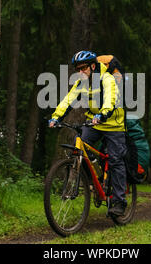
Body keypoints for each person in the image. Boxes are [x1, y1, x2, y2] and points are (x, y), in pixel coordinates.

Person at [48, 50, 127, 216]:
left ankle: (119, 201)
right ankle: (93, 181)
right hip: (94, 123)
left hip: (113, 124)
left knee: (115, 160)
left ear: (92, 66)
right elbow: (68, 100)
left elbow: (110, 100)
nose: (80, 72)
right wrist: (55, 117)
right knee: (79, 150)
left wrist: (103, 114)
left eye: (83, 68)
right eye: (78, 69)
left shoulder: (107, 79)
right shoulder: (81, 83)